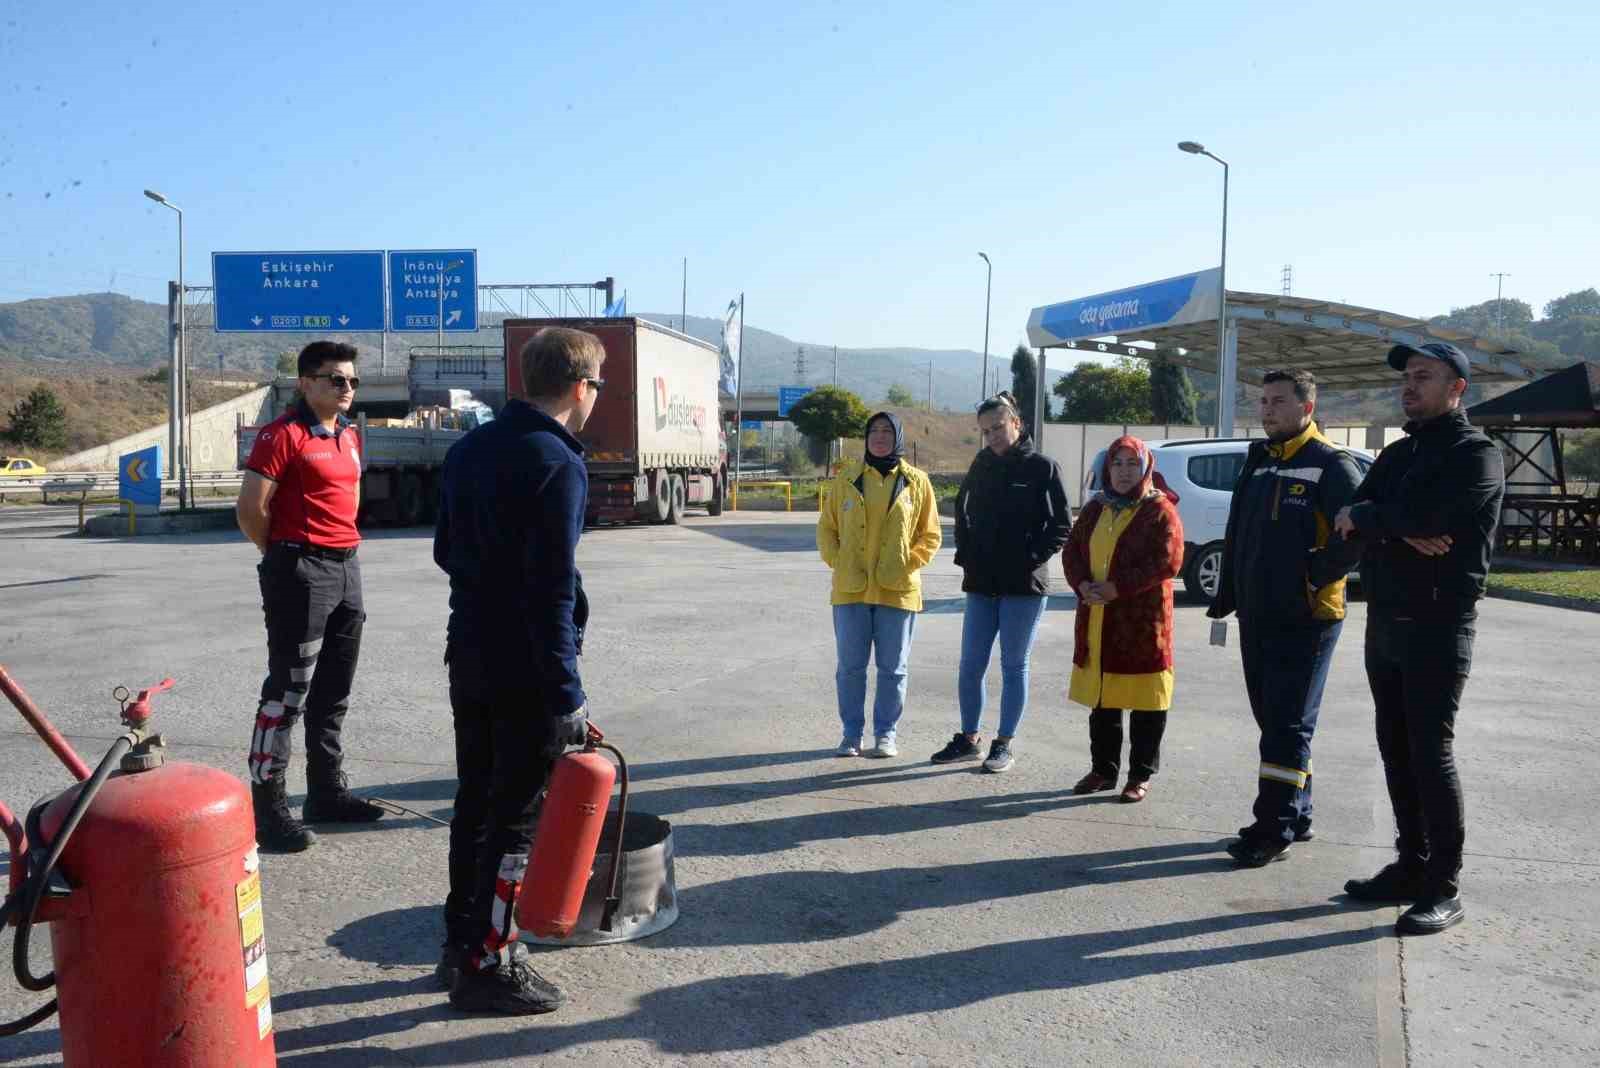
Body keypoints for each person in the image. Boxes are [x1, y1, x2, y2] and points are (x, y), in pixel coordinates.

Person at [432, 326, 600, 1014]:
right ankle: (492, 962)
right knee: (517, 819)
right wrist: (568, 694)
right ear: (581, 386)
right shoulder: (556, 461)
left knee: (475, 800)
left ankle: (460, 939)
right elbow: (551, 590)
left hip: (469, 647)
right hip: (526, 666)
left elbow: (446, 550)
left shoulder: (471, 446)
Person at [1334, 341, 1505, 935]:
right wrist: (1391, 524)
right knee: (1395, 747)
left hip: (1438, 623)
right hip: (1384, 619)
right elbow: (1353, 511)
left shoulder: (1477, 455)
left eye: (1424, 376)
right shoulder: (1400, 453)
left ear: (1457, 387)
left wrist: (1388, 522)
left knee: (1430, 753)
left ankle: (1444, 887)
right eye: (1407, 376)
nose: (1410, 385)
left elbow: (1428, 519)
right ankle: (1411, 865)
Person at [1207, 369, 1364, 867]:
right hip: (1258, 612)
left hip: (1307, 618)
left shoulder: (1330, 465)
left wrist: (1311, 578)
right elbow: (1239, 532)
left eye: (1277, 401)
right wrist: (1229, 591)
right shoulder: (1260, 459)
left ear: (1307, 408)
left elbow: (1353, 538)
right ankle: (1297, 812)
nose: (1267, 410)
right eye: (1263, 401)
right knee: (1274, 720)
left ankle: (1271, 829)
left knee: (1286, 724)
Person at [237, 340, 385, 854]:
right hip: (300, 569)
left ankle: (326, 794)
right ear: (305, 382)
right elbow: (251, 508)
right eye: (335, 379)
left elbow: (352, 500)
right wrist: (282, 556)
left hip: (347, 568)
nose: (347, 389)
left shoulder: (349, 436)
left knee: (333, 693)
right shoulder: (283, 435)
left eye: (353, 381)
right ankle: (269, 809)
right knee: (287, 694)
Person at [934, 391, 1071, 773]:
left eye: (998, 426)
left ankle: (1004, 743)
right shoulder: (981, 464)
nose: (992, 435)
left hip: (1023, 588)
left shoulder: (1043, 468)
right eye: (985, 430)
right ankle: (969, 739)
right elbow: (962, 513)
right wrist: (965, 555)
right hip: (981, 584)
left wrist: (1029, 559)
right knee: (970, 665)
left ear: (1017, 423)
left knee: (1013, 665)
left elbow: (1061, 526)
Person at [1062, 436, 1184, 803]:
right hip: (1098, 618)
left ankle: (1140, 775)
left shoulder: (1159, 510)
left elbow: (1167, 561)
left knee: (1147, 703)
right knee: (1104, 701)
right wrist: (1082, 583)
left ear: (1146, 468)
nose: (1125, 471)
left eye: (1133, 463)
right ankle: (1103, 770)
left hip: (1142, 624)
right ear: (1106, 468)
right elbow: (1072, 552)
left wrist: (1118, 588)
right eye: (1118, 463)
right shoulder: (1096, 508)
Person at [817, 411, 943, 758]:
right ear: (866, 437)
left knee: (893, 669)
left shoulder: (917, 481)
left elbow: (930, 535)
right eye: (875, 430)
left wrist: (908, 563)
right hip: (851, 589)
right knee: (850, 669)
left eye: (888, 431)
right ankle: (851, 734)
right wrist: (837, 560)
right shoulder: (847, 479)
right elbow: (826, 529)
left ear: (898, 437)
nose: (881, 436)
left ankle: (886, 734)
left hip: (897, 590)